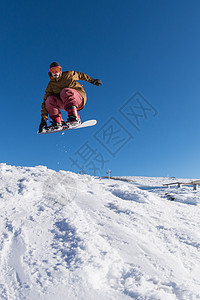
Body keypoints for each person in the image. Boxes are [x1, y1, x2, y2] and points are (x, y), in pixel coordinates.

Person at [38, 62, 102, 133]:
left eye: (58, 70)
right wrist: (44, 118)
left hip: (77, 98)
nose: (56, 72)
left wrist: (92, 80)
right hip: (65, 103)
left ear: (61, 70)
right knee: (49, 99)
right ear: (50, 72)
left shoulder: (68, 75)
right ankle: (57, 122)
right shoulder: (51, 85)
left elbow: (81, 75)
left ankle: (75, 118)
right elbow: (45, 102)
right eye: (53, 70)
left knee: (65, 91)